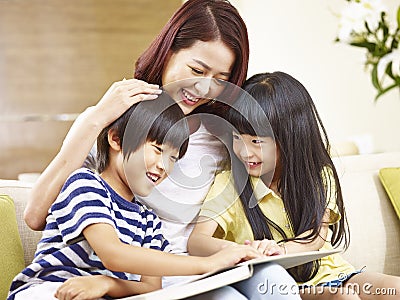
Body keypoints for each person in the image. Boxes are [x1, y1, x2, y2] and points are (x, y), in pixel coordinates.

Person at [23, 0, 300, 298]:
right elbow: (36, 216)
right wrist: (95, 119)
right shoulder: (117, 121)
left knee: (274, 280)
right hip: (142, 280)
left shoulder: (223, 135)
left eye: (221, 79)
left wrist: (248, 248)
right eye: (196, 69)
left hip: (196, 272)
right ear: (168, 51)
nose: (204, 88)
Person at [8, 94, 263, 300]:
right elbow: (112, 253)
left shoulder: (147, 219)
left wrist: (106, 283)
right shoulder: (85, 183)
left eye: (173, 158)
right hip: (50, 288)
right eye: (157, 149)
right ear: (116, 140)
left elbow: (151, 287)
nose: (164, 166)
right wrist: (208, 264)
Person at [188, 71, 400, 299]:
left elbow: (316, 236)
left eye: (257, 141)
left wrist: (280, 250)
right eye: (237, 138)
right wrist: (238, 251)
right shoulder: (230, 184)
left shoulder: (318, 175)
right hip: (283, 288)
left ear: (290, 136)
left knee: (394, 288)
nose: (245, 151)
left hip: (336, 273)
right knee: (344, 298)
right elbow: (197, 241)